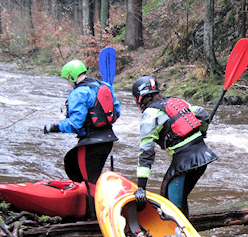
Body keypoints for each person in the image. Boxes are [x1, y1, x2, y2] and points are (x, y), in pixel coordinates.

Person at [44, 59, 121, 218]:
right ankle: (102, 214)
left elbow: (75, 123)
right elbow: (117, 112)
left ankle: (93, 220)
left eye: (67, 79)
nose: (68, 83)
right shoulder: (105, 87)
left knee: (90, 183)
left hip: (90, 144)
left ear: (71, 77)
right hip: (108, 140)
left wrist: (54, 127)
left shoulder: (78, 93)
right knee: (96, 179)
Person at [132, 76, 216, 218]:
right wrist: (203, 132)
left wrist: (141, 186)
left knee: (170, 204)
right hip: (202, 155)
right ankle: (186, 229)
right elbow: (202, 113)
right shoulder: (177, 101)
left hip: (185, 162)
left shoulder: (150, 114)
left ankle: (179, 234)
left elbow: (146, 152)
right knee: (179, 197)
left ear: (139, 98)